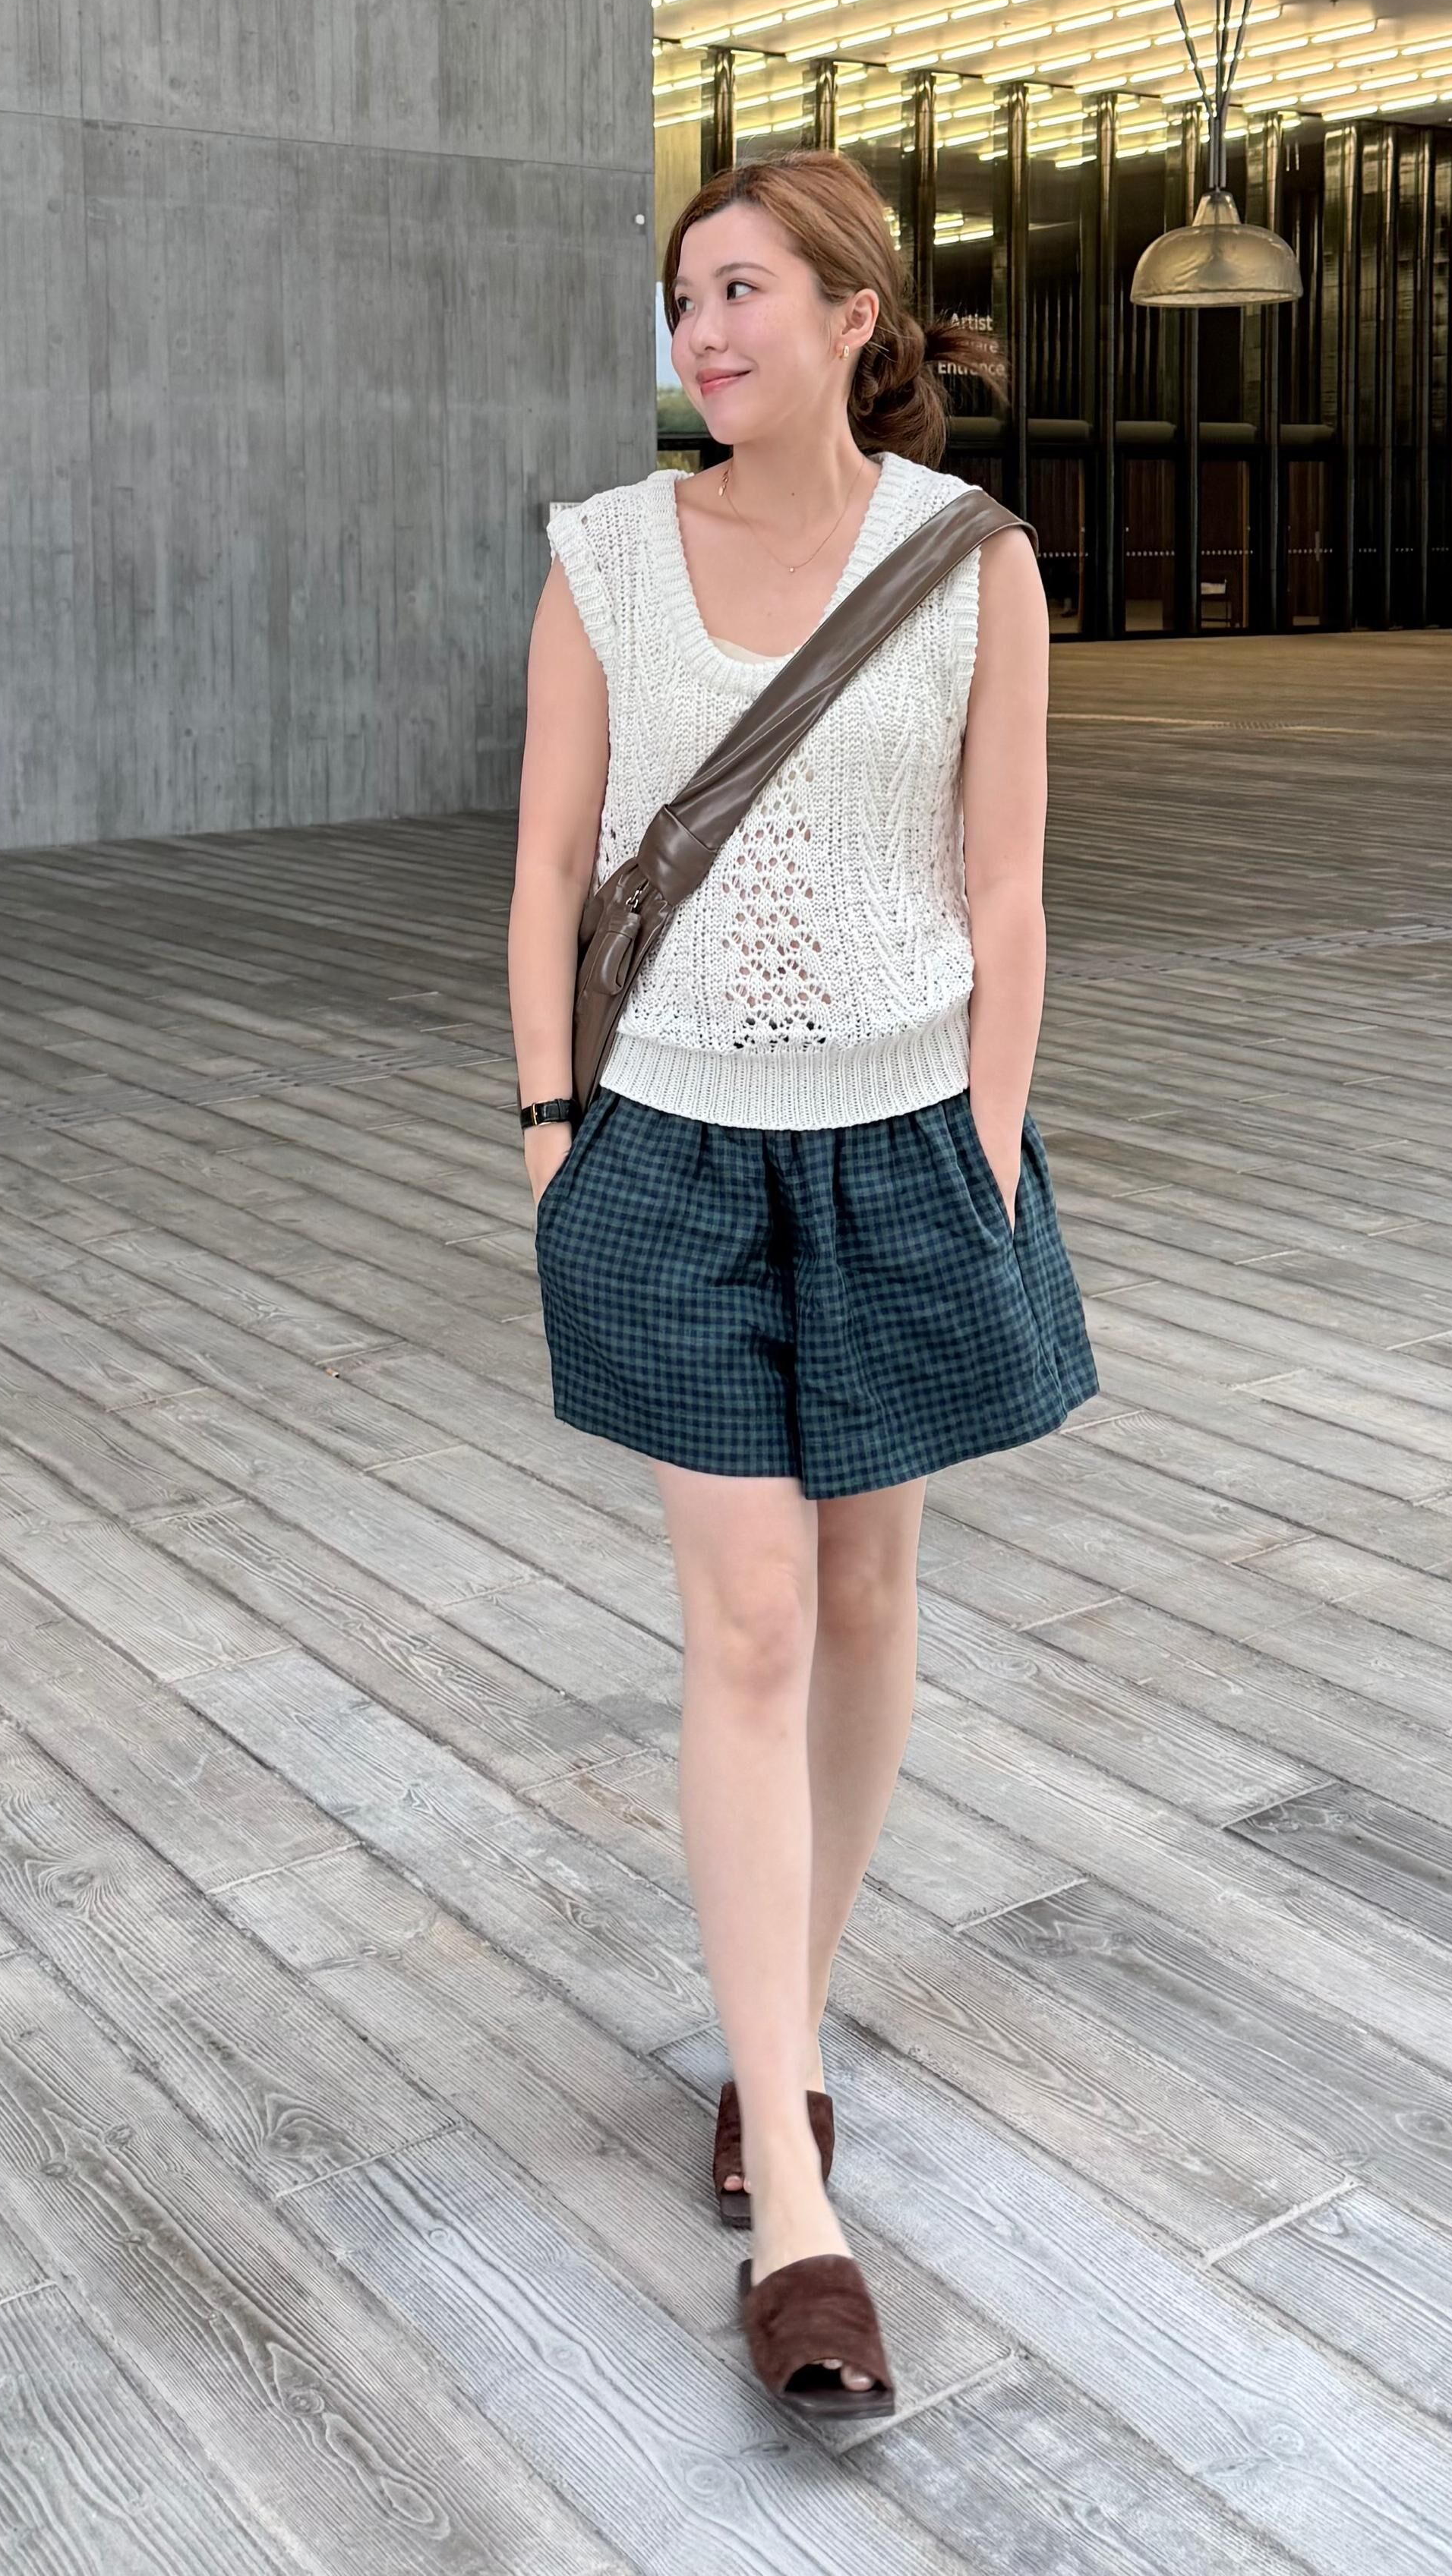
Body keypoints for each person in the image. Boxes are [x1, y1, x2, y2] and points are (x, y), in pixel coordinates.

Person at [506, 149, 1097, 2427]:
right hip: (664, 1150)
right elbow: (548, 866)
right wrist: (551, 1129)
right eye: (685, 300)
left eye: (745, 290)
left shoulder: (971, 563)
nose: (704, 335)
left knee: (865, 1600)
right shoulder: (603, 558)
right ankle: (798, 2211)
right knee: (747, 1618)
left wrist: (990, 1132)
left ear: (859, 316)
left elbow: (1007, 883)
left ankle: (784, 2037)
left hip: (907, 1139)